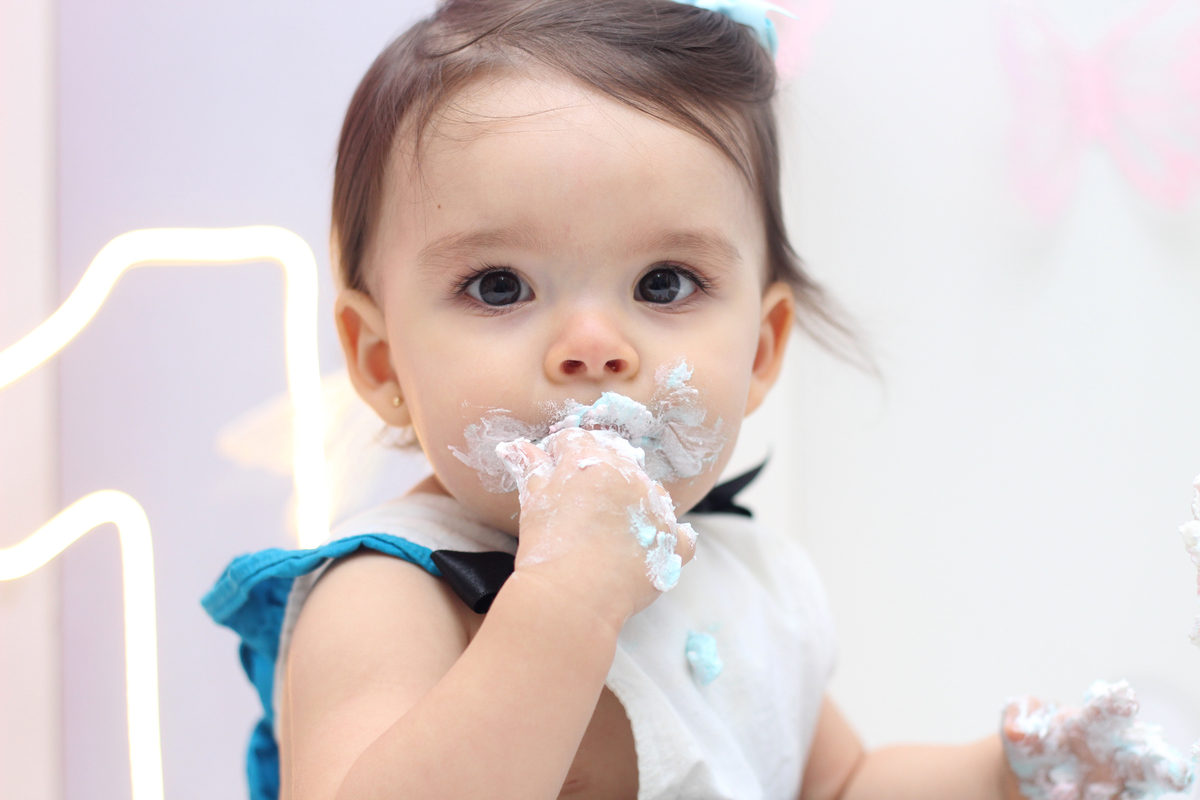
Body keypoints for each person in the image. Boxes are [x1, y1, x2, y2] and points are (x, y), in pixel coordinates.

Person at [203, 2, 1192, 799]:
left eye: (664, 283)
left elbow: (838, 782)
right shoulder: (387, 594)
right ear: (381, 362)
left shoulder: (747, 580)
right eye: (500, 286)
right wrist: (562, 600)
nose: (594, 346)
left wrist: (1001, 776)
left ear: (760, 349)